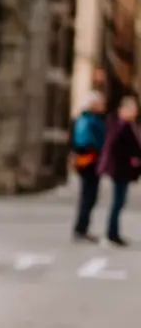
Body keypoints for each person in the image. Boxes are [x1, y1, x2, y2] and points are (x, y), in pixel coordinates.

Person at [98, 92, 141, 247]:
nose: (135, 112)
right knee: (118, 202)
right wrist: (132, 158)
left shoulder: (129, 125)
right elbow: (116, 148)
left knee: (120, 202)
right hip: (120, 170)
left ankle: (114, 232)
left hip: (124, 170)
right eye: (132, 109)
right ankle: (111, 233)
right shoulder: (121, 126)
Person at [69, 90, 107, 242]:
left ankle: (82, 228)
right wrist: (96, 150)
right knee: (88, 196)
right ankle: (80, 229)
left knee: (90, 196)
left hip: (91, 160)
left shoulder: (93, 118)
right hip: (89, 161)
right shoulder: (88, 119)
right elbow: (85, 141)